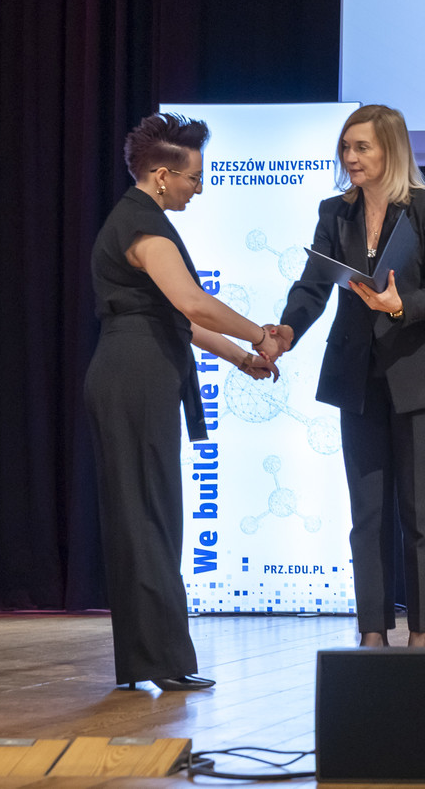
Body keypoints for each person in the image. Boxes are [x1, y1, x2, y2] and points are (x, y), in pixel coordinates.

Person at [85, 112, 283, 692]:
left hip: (138, 371)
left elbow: (179, 320)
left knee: (146, 515)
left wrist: (243, 359)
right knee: (148, 515)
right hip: (134, 375)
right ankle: (162, 661)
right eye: (195, 178)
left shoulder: (142, 220)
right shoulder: (142, 226)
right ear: (162, 175)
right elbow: (192, 303)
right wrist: (260, 335)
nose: (199, 189)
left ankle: (148, 661)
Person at [269, 105, 425, 648]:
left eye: (362, 147)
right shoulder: (334, 212)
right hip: (358, 379)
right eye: (345, 147)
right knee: (367, 515)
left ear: (392, 150)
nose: (350, 157)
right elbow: (312, 285)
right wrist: (286, 332)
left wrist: (398, 304)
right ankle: (372, 633)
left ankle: (422, 633)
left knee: (423, 516)